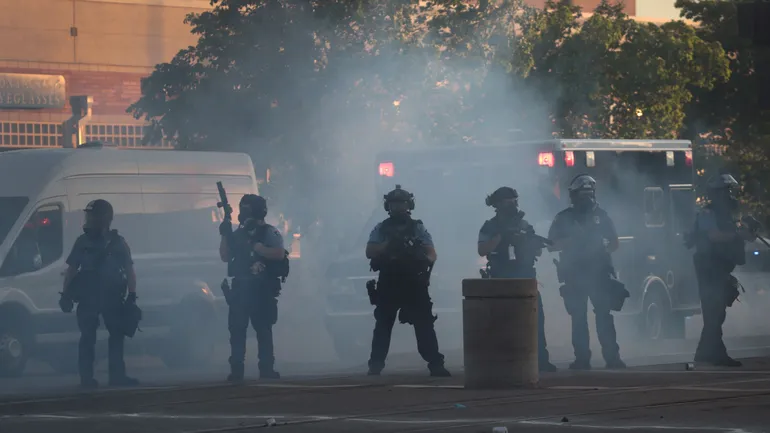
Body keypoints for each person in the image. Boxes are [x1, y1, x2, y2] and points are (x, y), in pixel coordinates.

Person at [365, 185, 451, 377]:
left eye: (402, 204)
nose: (398, 208)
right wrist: (388, 245)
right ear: (388, 206)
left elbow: (432, 255)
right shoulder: (381, 229)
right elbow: (370, 251)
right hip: (389, 281)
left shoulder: (418, 228)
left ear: (409, 205)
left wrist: (416, 254)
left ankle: (435, 364)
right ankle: (376, 365)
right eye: (394, 204)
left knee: (424, 325)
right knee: (383, 326)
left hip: (413, 282)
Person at [547, 175, 626, 370]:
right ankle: (582, 359)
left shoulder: (602, 216)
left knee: (603, 316)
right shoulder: (563, 218)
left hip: (598, 273)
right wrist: (572, 242)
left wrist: (599, 252)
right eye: (581, 194)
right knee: (579, 318)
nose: (585, 198)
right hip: (574, 273)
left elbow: (615, 243)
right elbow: (551, 245)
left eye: (588, 194)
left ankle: (612, 358)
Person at [60, 199, 139, 389]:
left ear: (104, 218)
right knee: (88, 337)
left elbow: (129, 271)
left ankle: (116, 376)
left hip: (111, 295)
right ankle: (87, 378)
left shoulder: (117, 243)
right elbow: (71, 270)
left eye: (93, 215)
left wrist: (132, 295)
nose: (89, 219)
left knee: (116, 335)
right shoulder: (83, 241)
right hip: (90, 295)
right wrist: (65, 294)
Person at [477, 187, 557, 372]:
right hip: (499, 278)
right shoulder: (490, 226)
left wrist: (528, 243)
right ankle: (500, 362)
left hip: (525, 276)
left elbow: (537, 251)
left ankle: (541, 360)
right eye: (507, 201)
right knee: (500, 321)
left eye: (514, 200)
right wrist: (500, 237)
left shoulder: (524, 225)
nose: (512, 204)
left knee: (536, 319)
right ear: (497, 204)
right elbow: (482, 250)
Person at [219, 194, 285, 381]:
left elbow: (279, 253)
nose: (243, 213)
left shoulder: (269, 232)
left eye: (247, 209)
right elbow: (225, 255)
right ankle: (237, 369)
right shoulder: (237, 234)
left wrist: (259, 249)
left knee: (263, 330)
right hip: (241, 288)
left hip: (262, 289)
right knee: (237, 330)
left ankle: (266, 368)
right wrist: (225, 234)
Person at [691, 174, 755, 367]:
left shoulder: (727, 215)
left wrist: (749, 232)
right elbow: (715, 236)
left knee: (716, 313)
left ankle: (704, 353)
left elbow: (738, 237)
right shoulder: (708, 214)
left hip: (720, 268)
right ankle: (715, 354)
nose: (730, 195)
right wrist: (738, 234)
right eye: (726, 191)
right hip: (709, 268)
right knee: (714, 312)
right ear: (717, 194)